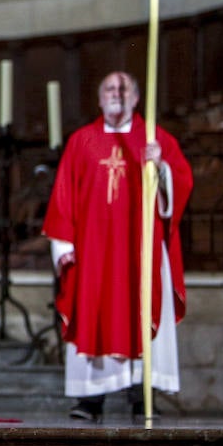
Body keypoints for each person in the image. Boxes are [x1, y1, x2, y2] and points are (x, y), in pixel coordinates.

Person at [43, 71, 192, 422]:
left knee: (142, 308)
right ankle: (90, 399)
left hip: (141, 250)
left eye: (124, 89)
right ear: (99, 99)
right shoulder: (82, 141)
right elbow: (63, 193)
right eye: (110, 88)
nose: (117, 94)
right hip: (95, 251)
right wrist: (63, 244)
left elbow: (182, 184)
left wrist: (163, 169)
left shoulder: (156, 140)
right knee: (92, 310)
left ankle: (143, 394)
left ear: (137, 98)